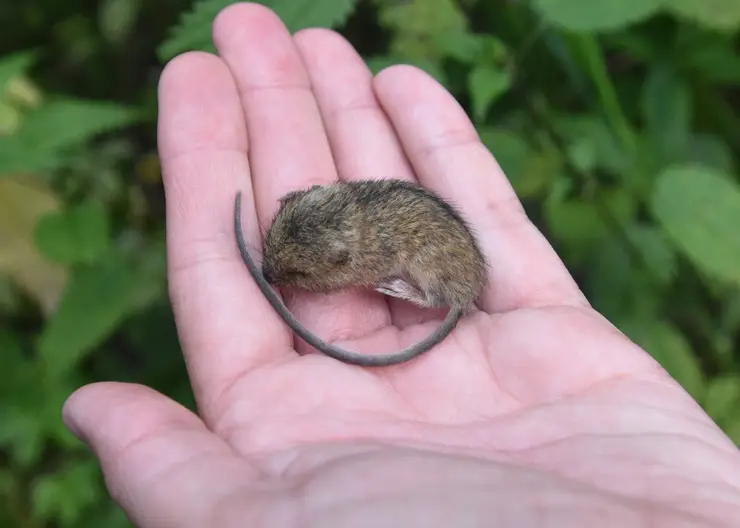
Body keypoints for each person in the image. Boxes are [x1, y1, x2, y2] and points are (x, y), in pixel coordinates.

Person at [61, 3, 740, 526]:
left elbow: (370, 255)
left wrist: (412, 291)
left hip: (443, 281)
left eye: (297, 276)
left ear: (340, 264)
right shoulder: (328, 217)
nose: (284, 282)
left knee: (427, 267)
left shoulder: (364, 255)